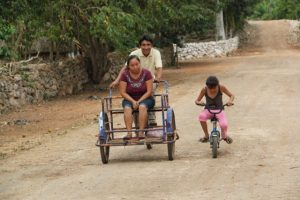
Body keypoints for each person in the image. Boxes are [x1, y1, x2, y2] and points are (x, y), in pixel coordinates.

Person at [110, 35, 163, 126]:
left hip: (150, 80)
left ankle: (151, 118)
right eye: (143, 45)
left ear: (152, 45)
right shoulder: (134, 54)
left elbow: (159, 67)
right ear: (140, 45)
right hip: (134, 80)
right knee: (132, 96)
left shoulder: (156, 53)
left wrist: (158, 77)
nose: (146, 47)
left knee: (149, 92)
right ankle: (137, 124)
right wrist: (117, 80)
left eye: (148, 45)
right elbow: (125, 68)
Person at [119, 55, 155, 140]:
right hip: (129, 98)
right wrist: (133, 101)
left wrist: (138, 101)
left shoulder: (147, 73)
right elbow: (123, 92)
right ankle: (129, 133)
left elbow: (149, 91)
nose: (135, 67)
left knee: (142, 107)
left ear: (140, 63)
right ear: (128, 66)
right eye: (132, 65)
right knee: (127, 108)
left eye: (137, 64)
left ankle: (141, 132)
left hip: (146, 98)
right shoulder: (124, 75)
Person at [195, 76, 234, 144]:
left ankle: (224, 136)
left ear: (217, 85)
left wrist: (230, 101)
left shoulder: (221, 87)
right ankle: (206, 136)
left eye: (214, 88)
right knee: (201, 117)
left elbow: (232, 95)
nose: (212, 90)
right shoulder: (204, 89)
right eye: (210, 89)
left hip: (219, 110)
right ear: (207, 86)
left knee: (224, 125)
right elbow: (197, 100)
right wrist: (199, 102)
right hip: (208, 110)